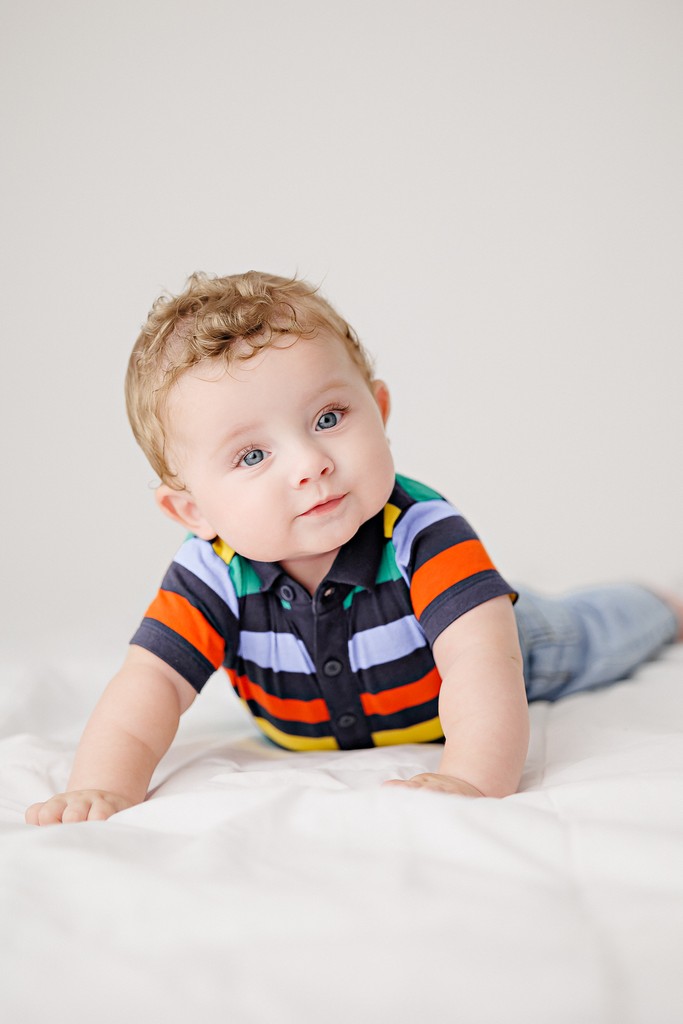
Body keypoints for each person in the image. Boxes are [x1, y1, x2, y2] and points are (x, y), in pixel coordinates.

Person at [25, 272, 681, 824]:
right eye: (252, 455)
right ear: (193, 510)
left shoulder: (422, 532)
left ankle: (660, 605)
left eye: (328, 418)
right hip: (349, 705)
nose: (309, 462)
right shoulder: (211, 574)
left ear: (379, 409)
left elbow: (482, 663)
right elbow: (150, 686)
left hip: (514, 649)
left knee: (590, 632)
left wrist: (471, 780)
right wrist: (104, 786)